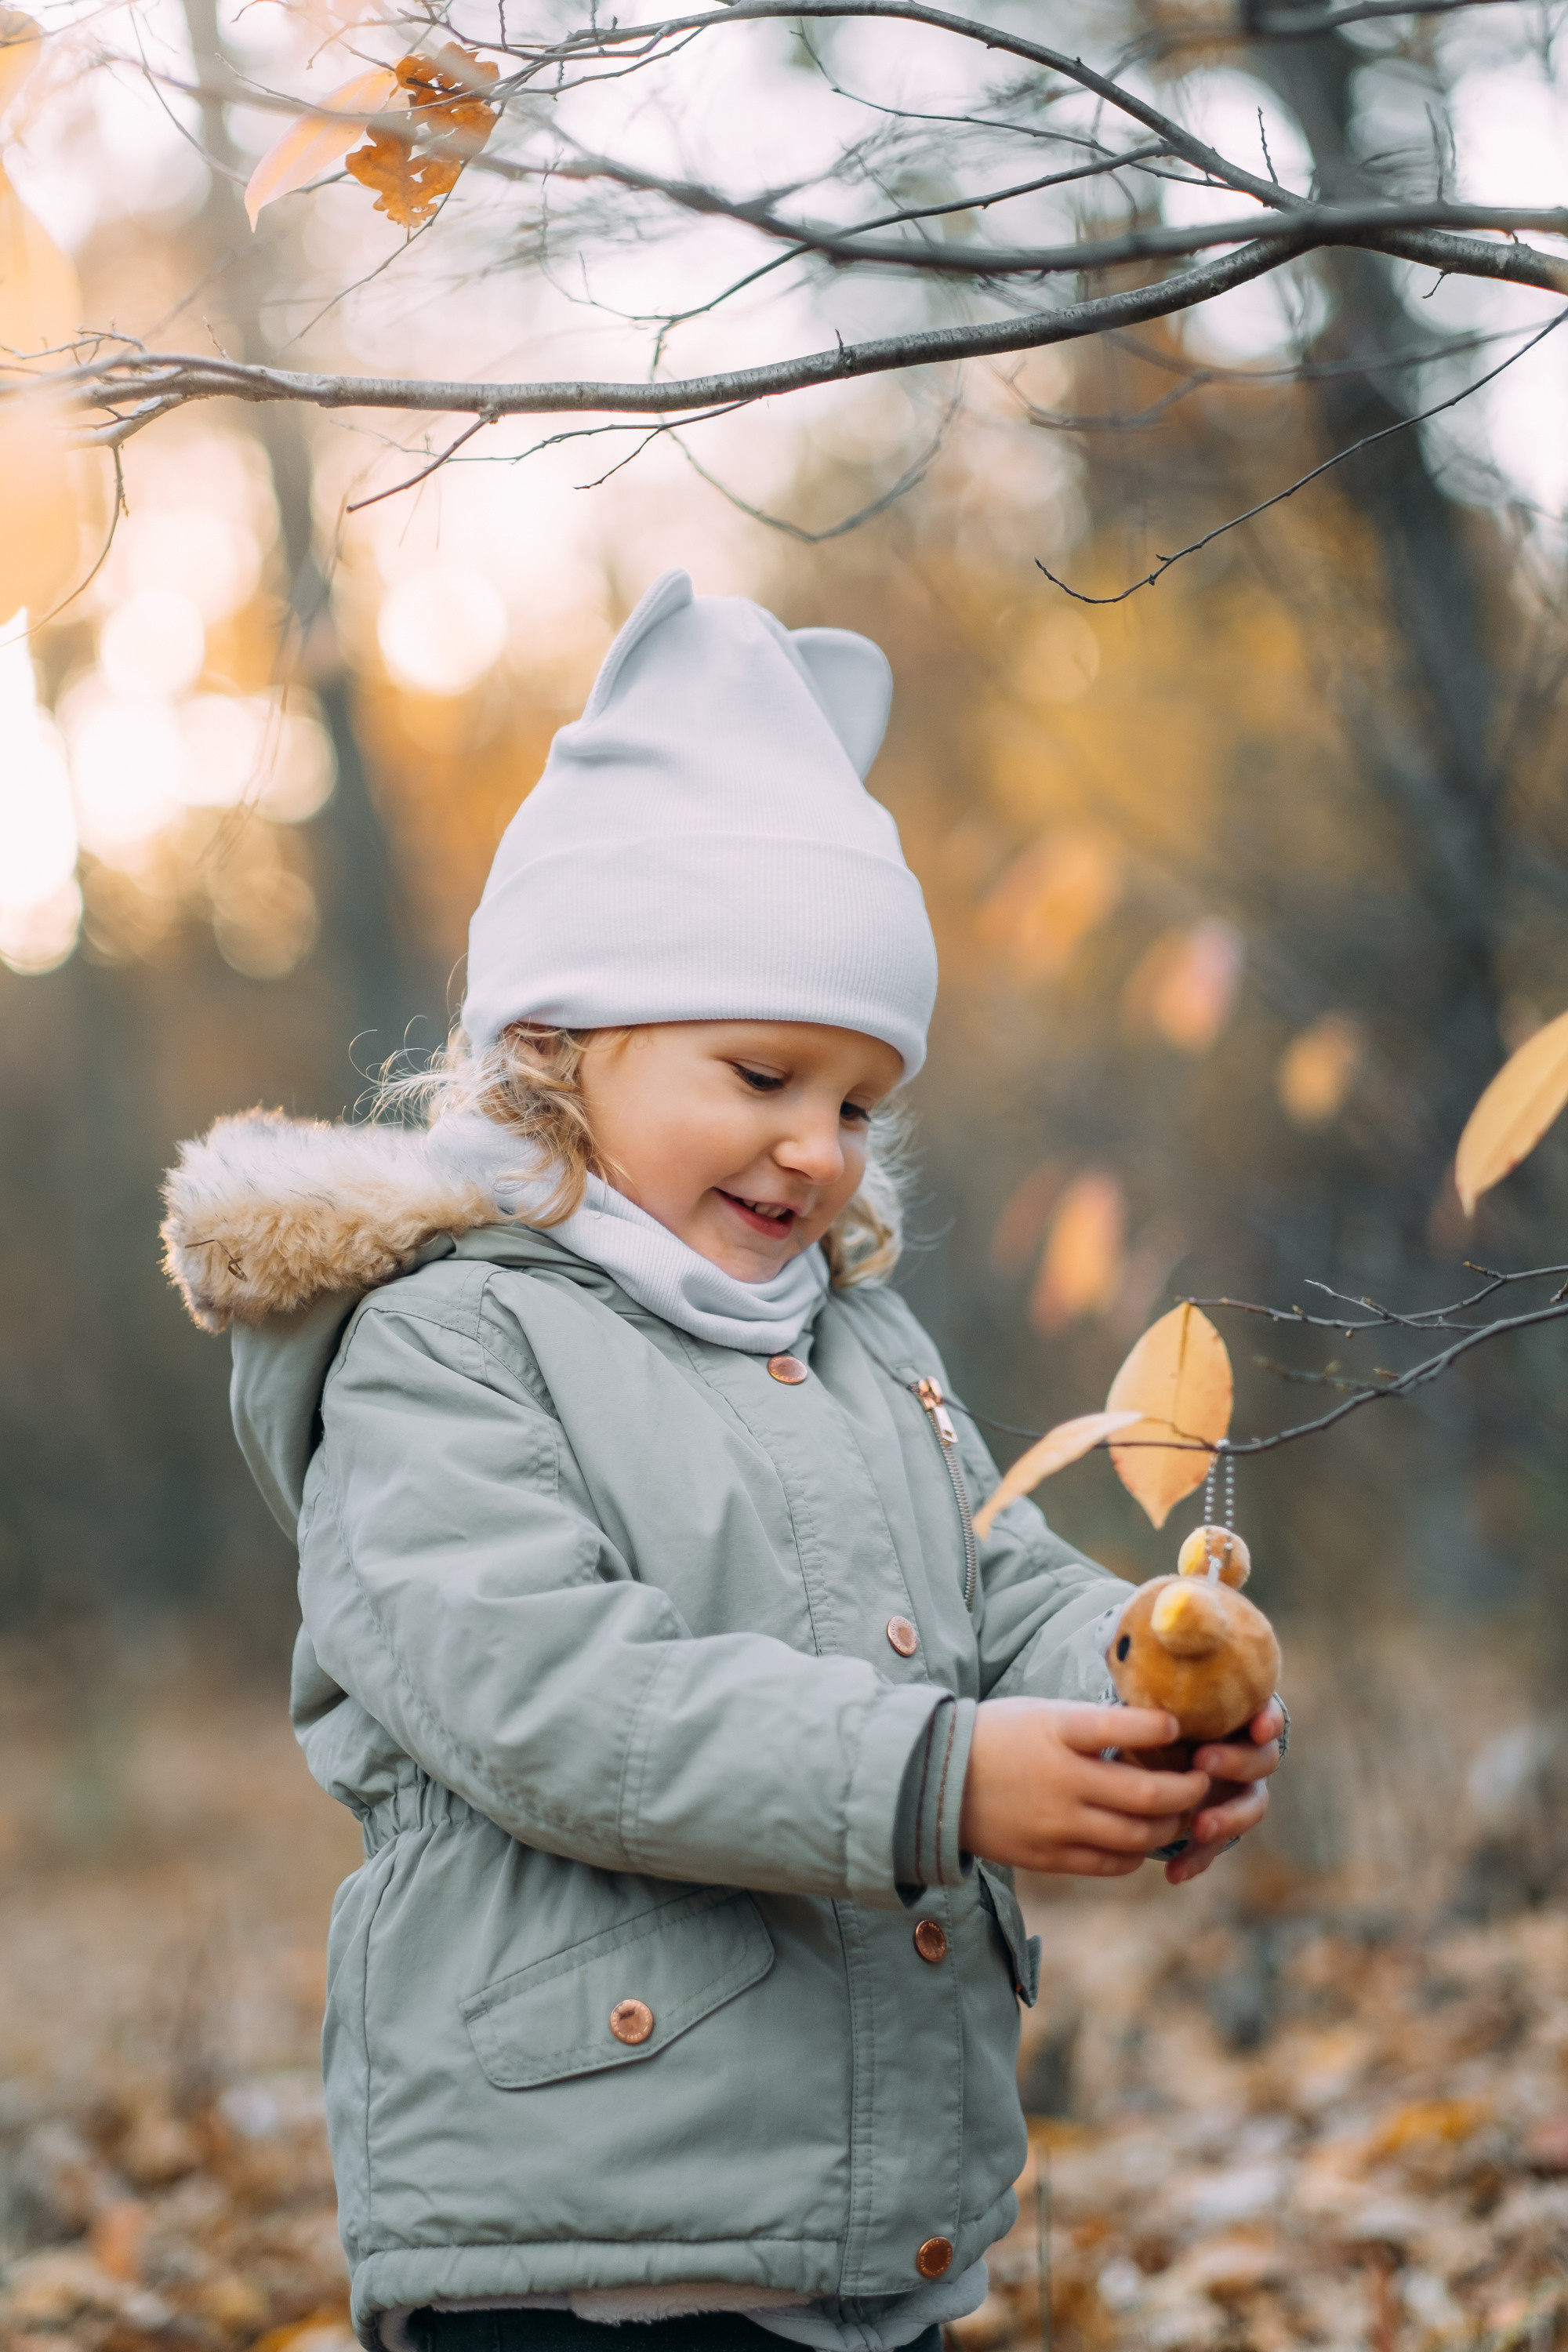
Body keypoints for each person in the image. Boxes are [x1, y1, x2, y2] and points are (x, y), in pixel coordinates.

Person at [162, 571, 1282, 2352]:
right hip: (576, 2241)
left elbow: (994, 1581)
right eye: (762, 1075)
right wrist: (937, 1783)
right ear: (558, 1054)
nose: (818, 1149)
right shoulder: (444, 1343)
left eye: (856, 1101)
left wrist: (1139, 1681)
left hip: (865, 2230)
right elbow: (549, 1695)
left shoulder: (855, 1345)